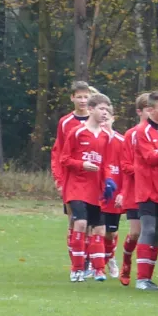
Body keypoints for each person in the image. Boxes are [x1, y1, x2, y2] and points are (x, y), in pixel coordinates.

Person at [60, 93, 114, 282]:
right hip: (76, 186)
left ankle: (99, 270)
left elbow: (106, 163)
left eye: (107, 110)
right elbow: (64, 159)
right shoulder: (76, 132)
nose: (105, 113)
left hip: (96, 189)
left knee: (99, 229)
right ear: (91, 110)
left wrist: (108, 181)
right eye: (101, 109)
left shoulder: (107, 135)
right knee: (81, 223)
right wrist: (82, 165)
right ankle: (76, 269)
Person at [51, 81, 92, 264]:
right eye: (79, 97)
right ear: (72, 98)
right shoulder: (65, 122)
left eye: (86, 96)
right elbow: (58, 152)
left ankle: (91, 260)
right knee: (74, 221)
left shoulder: (96, 118)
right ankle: (76, 262)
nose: (83, 100)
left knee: (92, 223)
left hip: (93, 180)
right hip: (71, 179)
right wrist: (59, 179)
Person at [134, 91, 158, 291]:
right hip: (147, 190)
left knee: (156, 232)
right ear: (150, 110)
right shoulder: (142, 131)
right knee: (147, 229)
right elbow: (150, 158)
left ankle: (147, 278)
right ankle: (141, 279)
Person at [116, 93, 150, 286]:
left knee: (150, 232)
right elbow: (126, 165)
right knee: (136, 232)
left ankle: (145, 273)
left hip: (154, 191)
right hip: (135, 190)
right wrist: (145, 169)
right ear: (140, 112)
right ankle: (127, 261)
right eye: (147, 110)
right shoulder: (131, 135)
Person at [100, 111, 125, 279]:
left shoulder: (122, 142)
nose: (103, 123)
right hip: (95, 194)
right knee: (95, 230)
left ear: (113, 119)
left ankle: (110, 258)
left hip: (114, 196)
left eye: (106, 119)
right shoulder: (93, 139)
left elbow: (128, 170)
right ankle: (96, 265)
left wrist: (123, 192)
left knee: (110, 233)